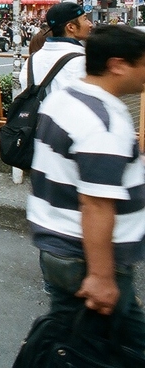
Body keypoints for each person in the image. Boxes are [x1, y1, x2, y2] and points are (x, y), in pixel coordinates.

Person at [22, 24, 145, 361]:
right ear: (118, 64)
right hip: (87, 258)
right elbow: (96, 204)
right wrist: (102, 276)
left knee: (73, 342)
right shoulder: (103, 122)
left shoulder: (66, 98)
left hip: (60, 248)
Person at [20, 1, 93, 91]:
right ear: (71, 27)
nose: (90, 24)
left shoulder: (32, 60)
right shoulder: (81, 61)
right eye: (85, 19)